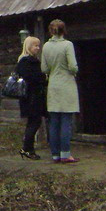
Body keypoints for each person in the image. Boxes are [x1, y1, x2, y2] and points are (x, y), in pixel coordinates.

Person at [41, 19, 80, 163]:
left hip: (53, 85)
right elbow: (73, 66)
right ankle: (65, 154)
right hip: (66, 84)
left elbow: (44, 69)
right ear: (64, 30)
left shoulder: (45, 46)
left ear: (50, 31)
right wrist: (72, 71)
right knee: (66, 121)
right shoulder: (67, 45)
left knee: (54, 121)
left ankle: (55, 154)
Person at [15, 36, 48, 160]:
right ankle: (27, 148)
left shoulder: (24, 60)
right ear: (29, 47)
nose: (38, 48)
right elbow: (31, 78)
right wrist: (43, 78)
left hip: (29, 97)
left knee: (33, 122)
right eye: (35, 46)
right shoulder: (27, 61)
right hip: (32, 97)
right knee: (34, 122)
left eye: (38, 46)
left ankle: (28, 149)